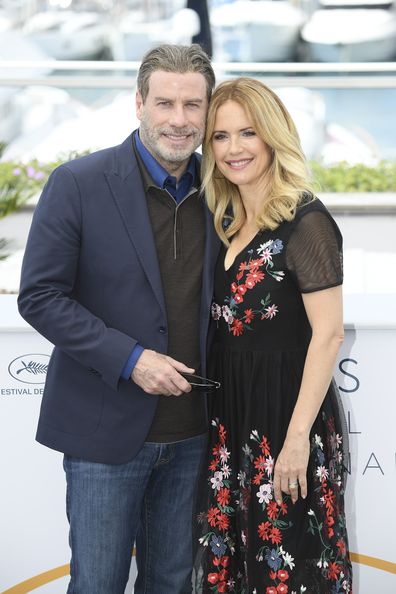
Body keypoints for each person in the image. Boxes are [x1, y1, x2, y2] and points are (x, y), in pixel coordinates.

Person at [18, 44, 219, 594]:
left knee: (173, 583)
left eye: (192, 105)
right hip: (103, 436)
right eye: (165, 103)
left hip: (195, 435)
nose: (179, 120)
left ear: (208, 109)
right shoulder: (78, 183)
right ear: (138, 103)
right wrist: (132, 360)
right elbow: (39, 296)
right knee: (98, 584)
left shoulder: (225, 191)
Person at [195, 78, 352, 593]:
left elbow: (328, 335)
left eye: (247, 133)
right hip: (229, 419)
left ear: (272, 137)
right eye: (220, 136)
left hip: (286, 421)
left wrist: (296, 441)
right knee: (235, 567)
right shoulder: (223, 219)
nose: (233, 149)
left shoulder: (306, 221)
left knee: (289, 566)